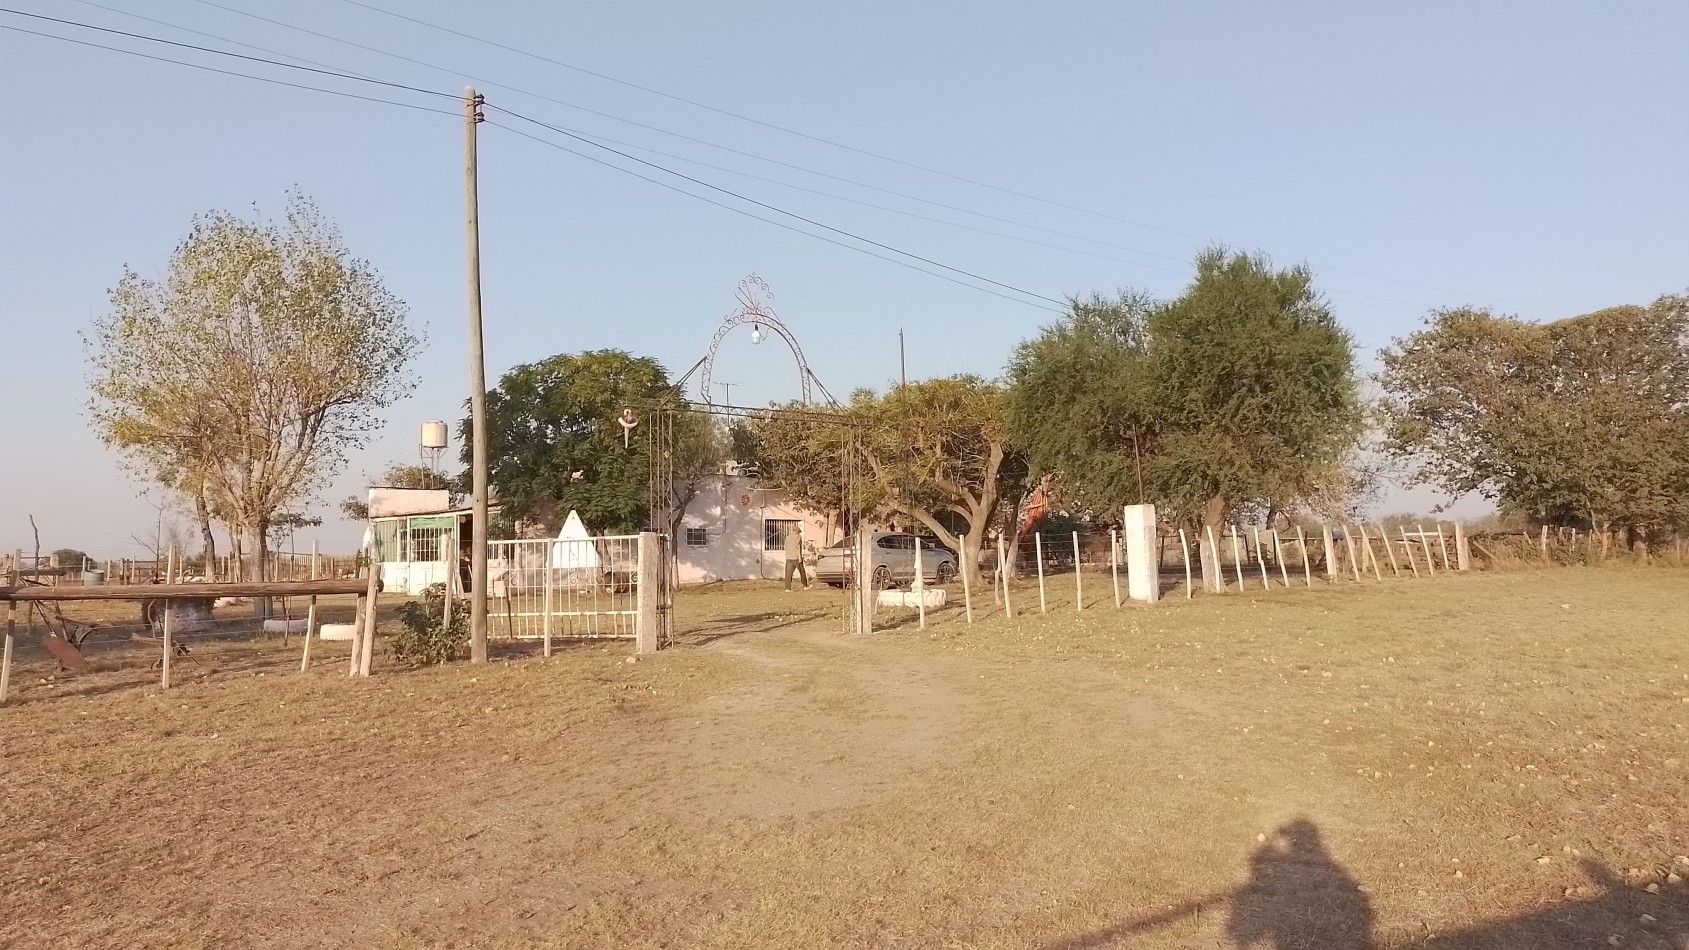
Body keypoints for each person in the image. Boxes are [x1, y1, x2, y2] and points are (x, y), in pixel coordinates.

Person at [784, 524, 811, 591]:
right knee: (802, 572)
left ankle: (787, 588)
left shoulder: (787, 537)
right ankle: (805, 586)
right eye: (799, 532)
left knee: (788, 574)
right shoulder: (798, 537)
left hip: (788, 557)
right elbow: (798, 547)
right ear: (797, 531)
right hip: (796, 557)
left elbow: (786, 547)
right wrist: (800, 557)